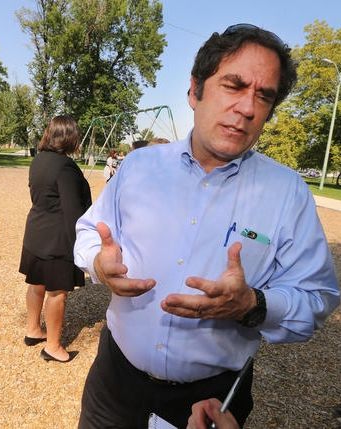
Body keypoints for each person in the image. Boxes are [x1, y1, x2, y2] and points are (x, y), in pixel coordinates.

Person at [74, 24, 339, 428]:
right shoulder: (139, 166)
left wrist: (252, 305)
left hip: (210, 404)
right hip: (114, 385)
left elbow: (317, 297)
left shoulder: (288, 193)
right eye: (234, 85)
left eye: (264, 96)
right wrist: (98, 263)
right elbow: (89, 232)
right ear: (195, 90)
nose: (247, 108)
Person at [19, 115, 91, 362]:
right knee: (57, 293)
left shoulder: (38, 159)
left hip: (36, 233)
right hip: (57, 239)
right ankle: (53, 346)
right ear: (71, 138)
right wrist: (81, 247)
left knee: (36, 283)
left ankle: (33, 329)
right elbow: (73, 211)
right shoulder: (65, 167)